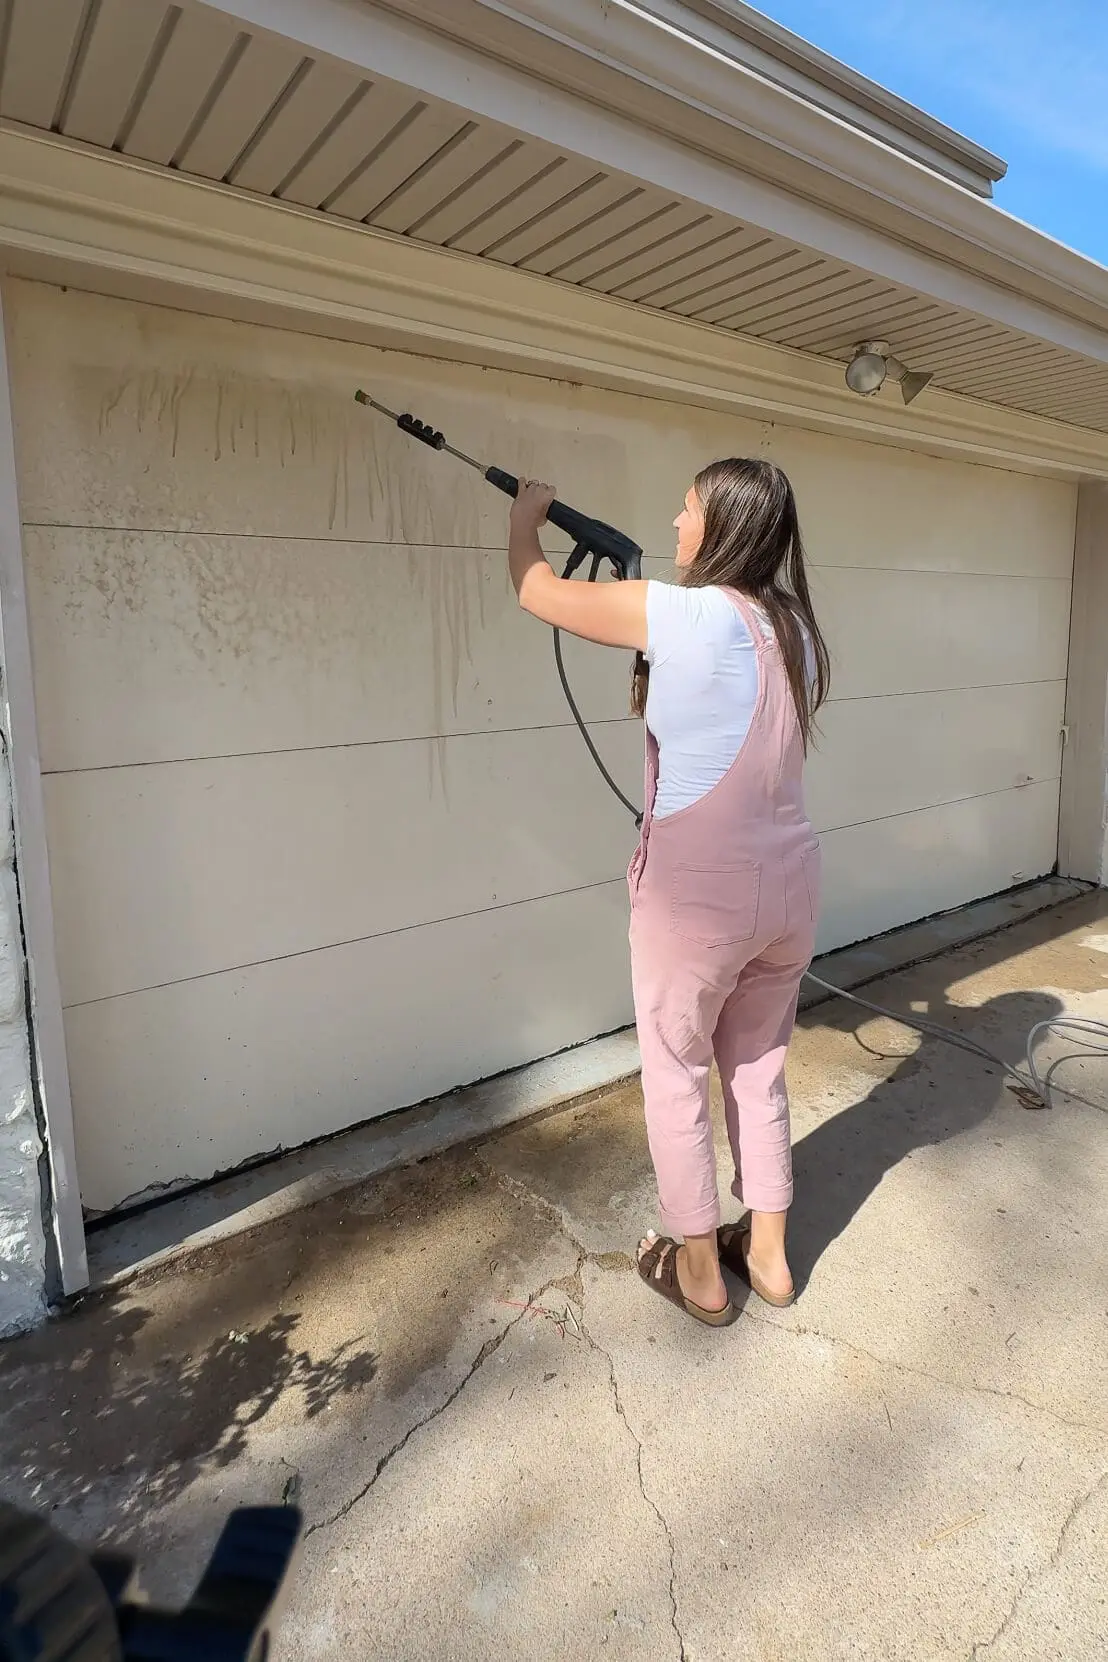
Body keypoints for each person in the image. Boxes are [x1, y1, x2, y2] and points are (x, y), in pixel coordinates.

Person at [507, 458, 830, 1328]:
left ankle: (697, 1270)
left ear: (722, 526)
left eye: (686, 511)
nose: (675, 524)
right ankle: (767, 1255)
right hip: (790, 883)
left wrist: (529, 515)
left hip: (700, 897)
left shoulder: (680, 612)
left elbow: (535, 590)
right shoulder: (792, 627)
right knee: (758, 1070)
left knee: (678, 1073)